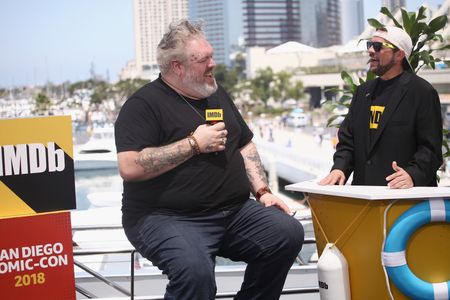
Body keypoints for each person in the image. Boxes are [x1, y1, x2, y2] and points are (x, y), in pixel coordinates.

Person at [114, 19, 304, 300]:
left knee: (286, 233)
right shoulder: (143, 105)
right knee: (195, 272)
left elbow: (244, 143)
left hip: (233, 212)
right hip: (166, 218)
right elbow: (129, 166)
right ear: (177, 66)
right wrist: (193, 144)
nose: (213, 64)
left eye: (212, 56)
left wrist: (262, 192)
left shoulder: (215, 93)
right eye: (204, 60)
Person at [320, 26, 443, 188]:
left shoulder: (422, 92)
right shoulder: (363, 92)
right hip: (363, 195)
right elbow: (348, 140)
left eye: (378, 47)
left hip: (404, 199)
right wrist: (339, 168)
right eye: (369, 45)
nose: (371, 51)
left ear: (399, 54)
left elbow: (430, 148)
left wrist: (413, 174)